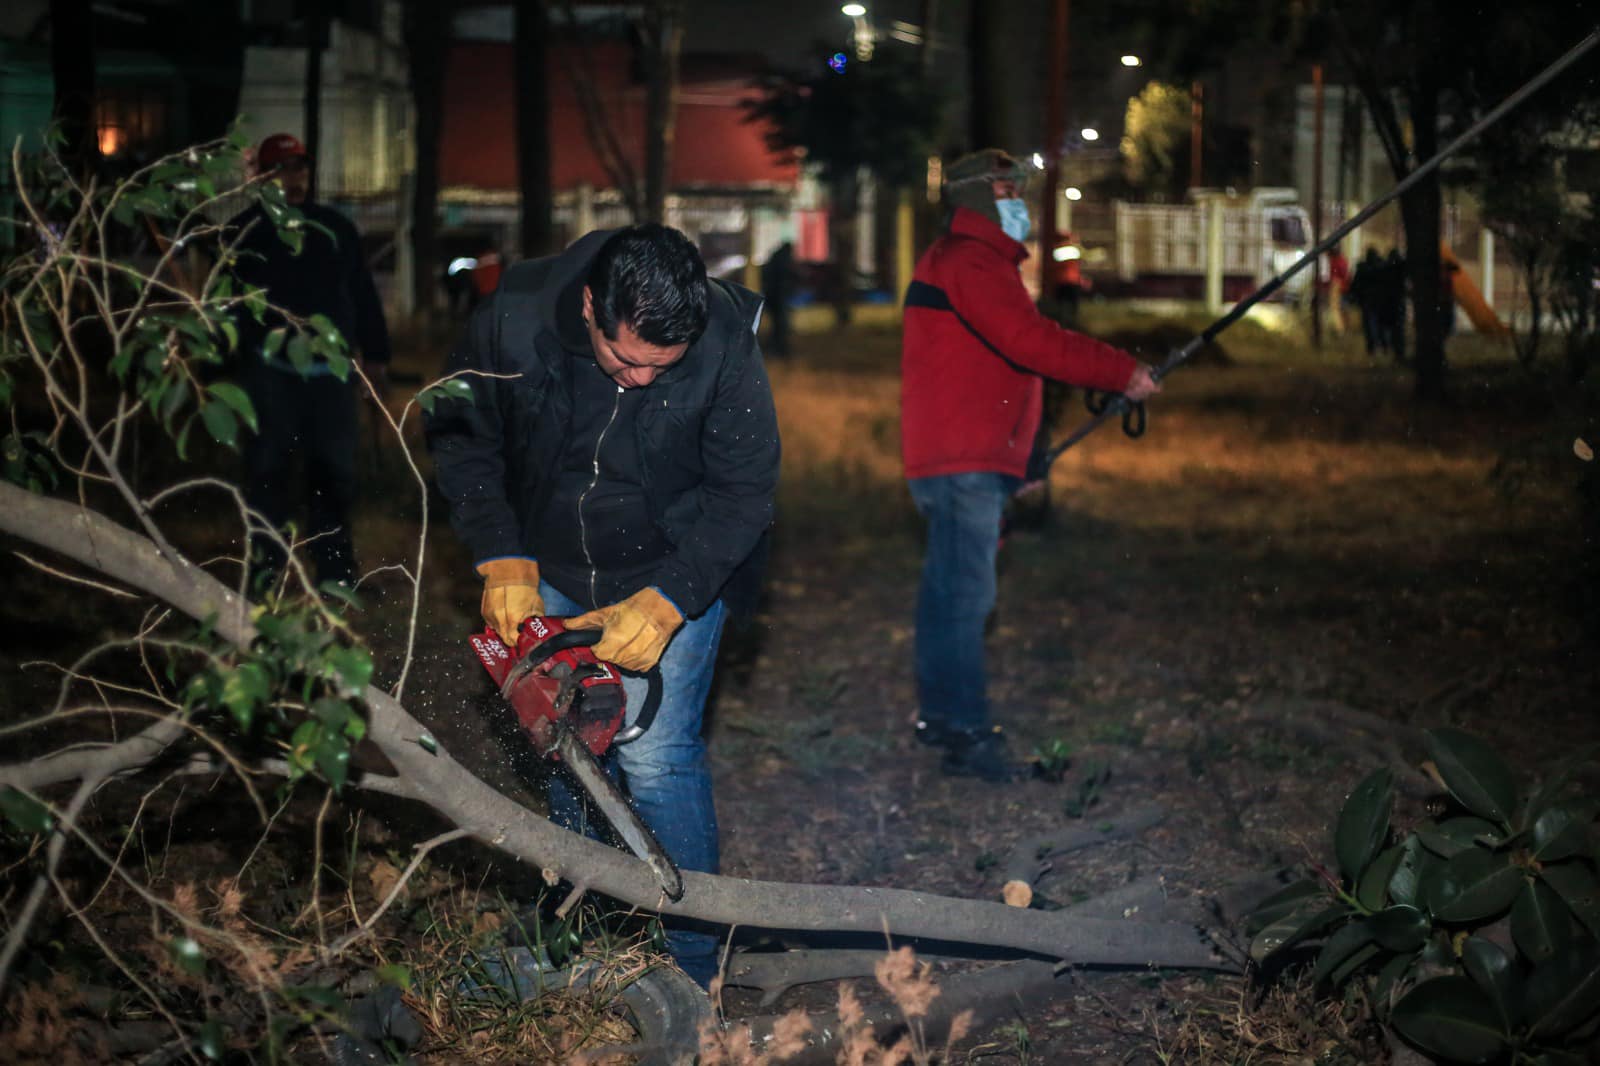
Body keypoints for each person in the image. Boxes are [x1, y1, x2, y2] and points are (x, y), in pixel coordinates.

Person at [425, 223, 779, 986]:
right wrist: (499, 553)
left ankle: (691, 970)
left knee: (657, 756)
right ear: (589, 305)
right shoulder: (510, 319)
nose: (642, 381)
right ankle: (577, 924)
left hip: (674, 561)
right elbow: (462, 440)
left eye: (663, 367)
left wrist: (671, 600)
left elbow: (744, 495)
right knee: (561, 736)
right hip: (546, 559)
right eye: (625, 359)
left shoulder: (722, 343)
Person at [900, 149, 1160, 782]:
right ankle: (966, 736)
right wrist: (1120, 371)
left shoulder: (966, 261)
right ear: (977, 199)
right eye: (1004, 187)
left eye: (1017, 187)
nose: (1017, 198)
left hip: (957, 459)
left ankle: (941, 721)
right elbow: (1032, 344)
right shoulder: (972, 261)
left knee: (945, 597)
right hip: (961, 465)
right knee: (966, 601)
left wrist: (1022, 460)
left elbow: (995, 371)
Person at [231, 132, 390, 589]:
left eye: (299, 169)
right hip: (271, 374)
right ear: (262, 177)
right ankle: (265, 572)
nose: (293, 179)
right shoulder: (246, 233)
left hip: (330, 376)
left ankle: (335, 573)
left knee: (334, 475)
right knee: (268, 473)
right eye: (281, 170)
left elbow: (360, 294)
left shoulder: (335, 229)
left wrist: (375, 357)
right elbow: (233, 306)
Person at [1349, 248, 1387, 356]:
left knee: (1370, 324)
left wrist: (1355, 296)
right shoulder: (1381, 267)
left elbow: (1356, 285)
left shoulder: (1364, 268)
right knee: (1379, 324)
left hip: (1368, 300)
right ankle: (1381, 345)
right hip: (1378, 301)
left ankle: (1373, 346)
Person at [759, 240, 795, 357]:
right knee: (781, 325)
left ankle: (777, 348)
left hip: (773, 297)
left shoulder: (775, 258)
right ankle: (779, 349)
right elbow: (784, 278)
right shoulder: (782, 260)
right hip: (778, 298)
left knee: (778, 325)